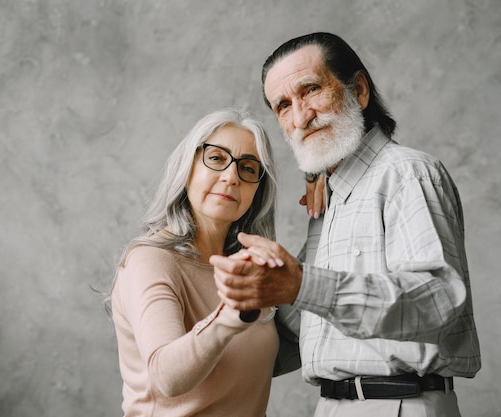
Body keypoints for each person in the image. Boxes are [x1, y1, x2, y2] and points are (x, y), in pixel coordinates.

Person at [210, 32, 481, 417]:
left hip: (400, 405)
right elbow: (298, 328)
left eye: (312, 90)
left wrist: (301, 284)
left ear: (359, 90)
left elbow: (437, 300)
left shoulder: (407, 173)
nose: (301, 117)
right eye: (283, 106)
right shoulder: (329, 198)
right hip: (333, 406)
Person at [110, 108, 283, 416]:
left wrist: (325, 194)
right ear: (187, 167)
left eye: (248, 168)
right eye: (216, 158)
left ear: (258, 190)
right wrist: (230, 315)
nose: (231, 177)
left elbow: (292, 342)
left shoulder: (245, 268)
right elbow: (167, 376)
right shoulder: (152, 260)